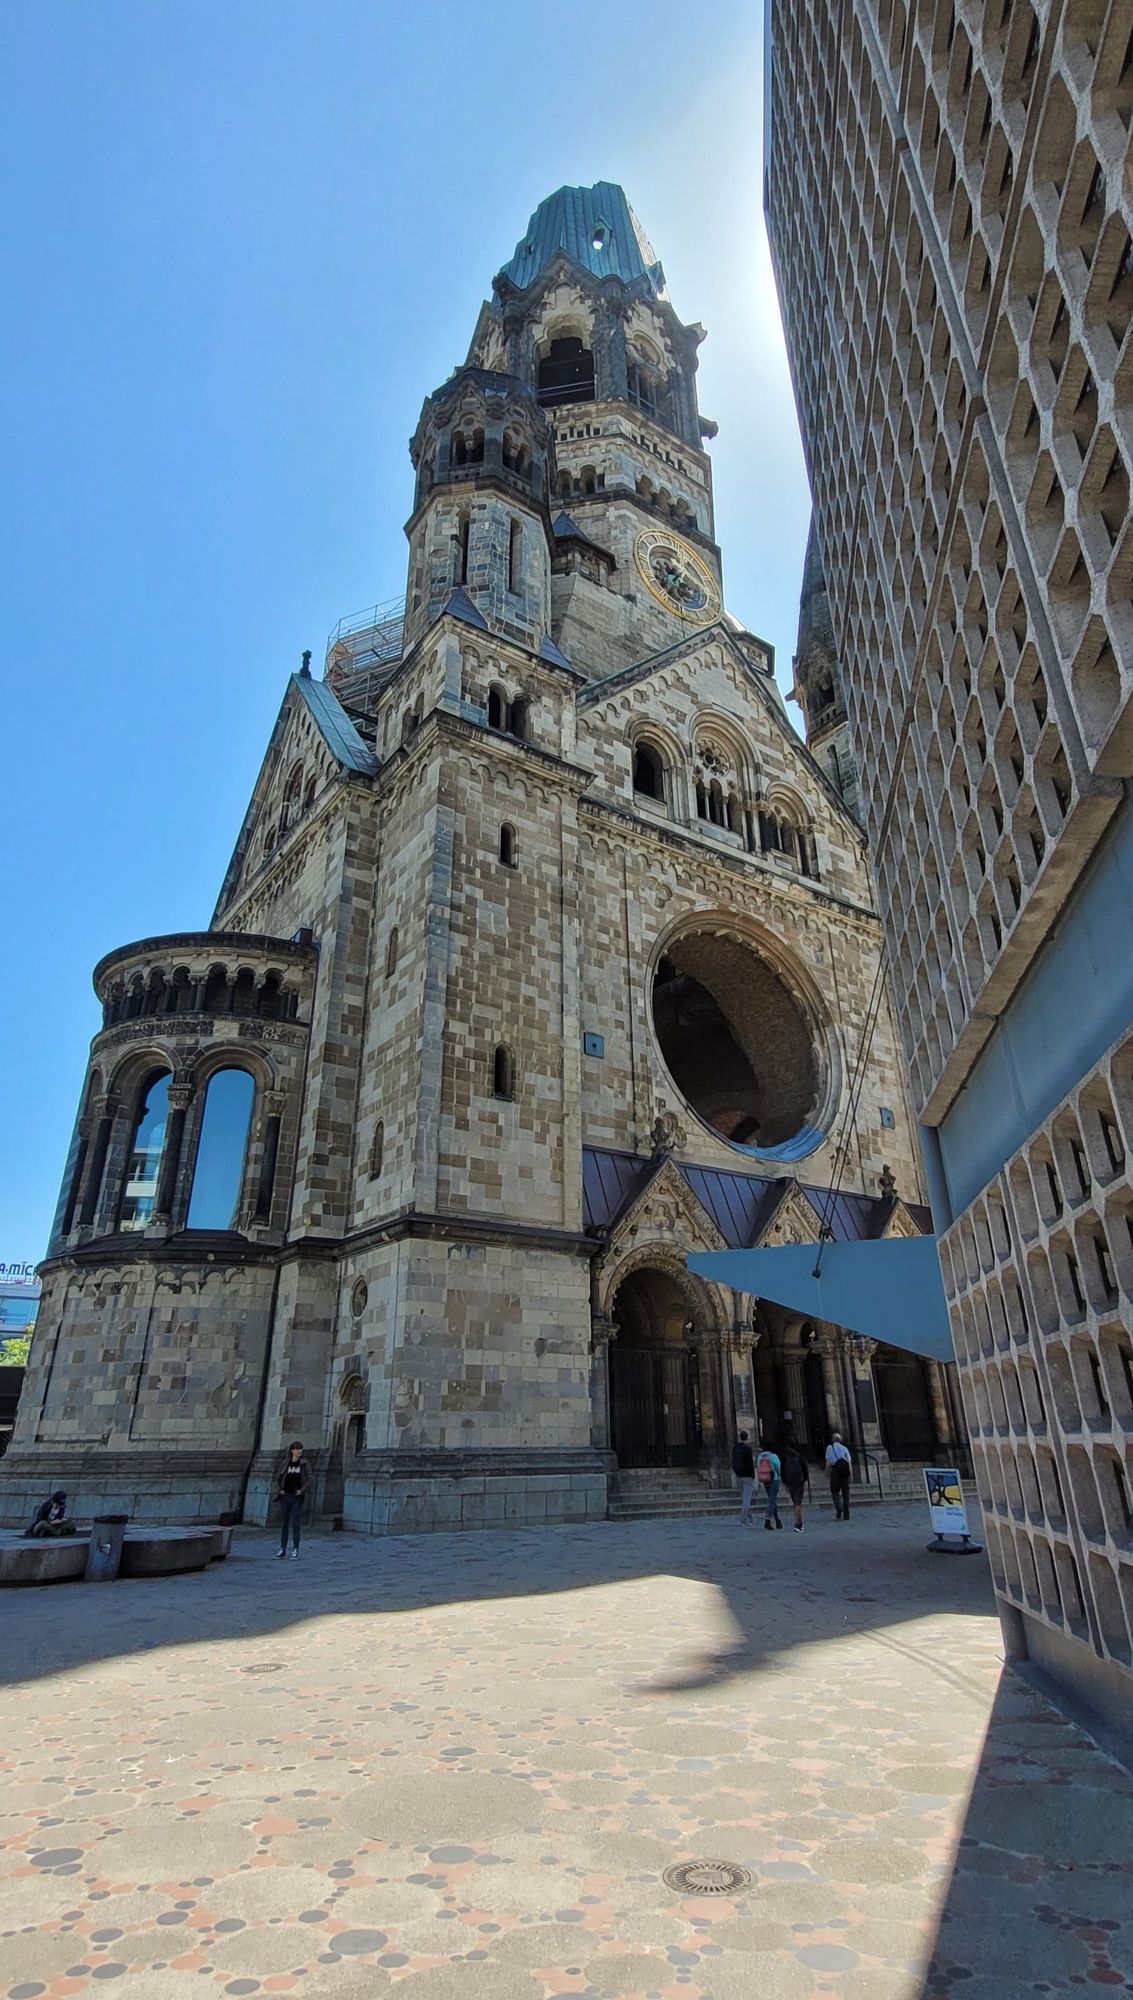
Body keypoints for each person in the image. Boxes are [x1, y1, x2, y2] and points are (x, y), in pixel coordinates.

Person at [275, 1442, 312, 1559]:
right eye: (297, 1449)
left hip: (297, 1497)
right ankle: (283, 1548)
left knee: (296, 1523)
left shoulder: (304, 1463)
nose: (299, 1451)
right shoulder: (286, 1463)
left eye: (300, 1449)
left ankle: (295, 1549)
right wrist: (280, 1489)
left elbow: (310, 1478)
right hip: (285, 1496)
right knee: (284, 1523)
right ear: (292, 1450)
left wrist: (302, 1490)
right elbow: (278, 1477)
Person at [780, 1437, 809, 1532]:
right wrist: (804, 1478)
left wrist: (784, 1481)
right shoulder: (799, 1456)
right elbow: (805, 1468)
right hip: (798, 1481)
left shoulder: (785, 1457)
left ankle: (800, 1523)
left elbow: (782, 1470)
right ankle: (797, 1524)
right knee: (798, 1503)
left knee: (795, 1502)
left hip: (789, 1482)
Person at [825, 1431, 852, 1519]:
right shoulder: (845, 1448)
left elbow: (828, 1462)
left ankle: (839, 1508)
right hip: (845, 1472)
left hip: (835, 1471)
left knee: (835, 1491)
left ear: (833, 1439)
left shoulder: (829, 1448)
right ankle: (846, 1513)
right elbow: (849, 1462)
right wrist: (850, 1475)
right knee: (846, 1493)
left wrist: (827, 1472)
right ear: (840, 1440)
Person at [731, 1431, 756, 1523]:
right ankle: (744, 1518)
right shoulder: (747, 1448)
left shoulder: (735, 1448)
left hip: (739, 1474)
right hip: (747, 1475)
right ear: (747, 1437)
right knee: (747, 1497)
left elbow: (733, 1461)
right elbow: (750, 1463)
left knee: (744, 1496)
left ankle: (750, 1517)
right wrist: (753, 1475)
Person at [756, 1442, 782, 1530]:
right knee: (772, 1500)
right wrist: (778, 1476)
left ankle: (777, 1520)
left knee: (772, 1499)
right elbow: (778, 1467)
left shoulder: (760, 1457)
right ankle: (768, 1519)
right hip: (774, 1479)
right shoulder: (773, 1456)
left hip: (765, 1479)